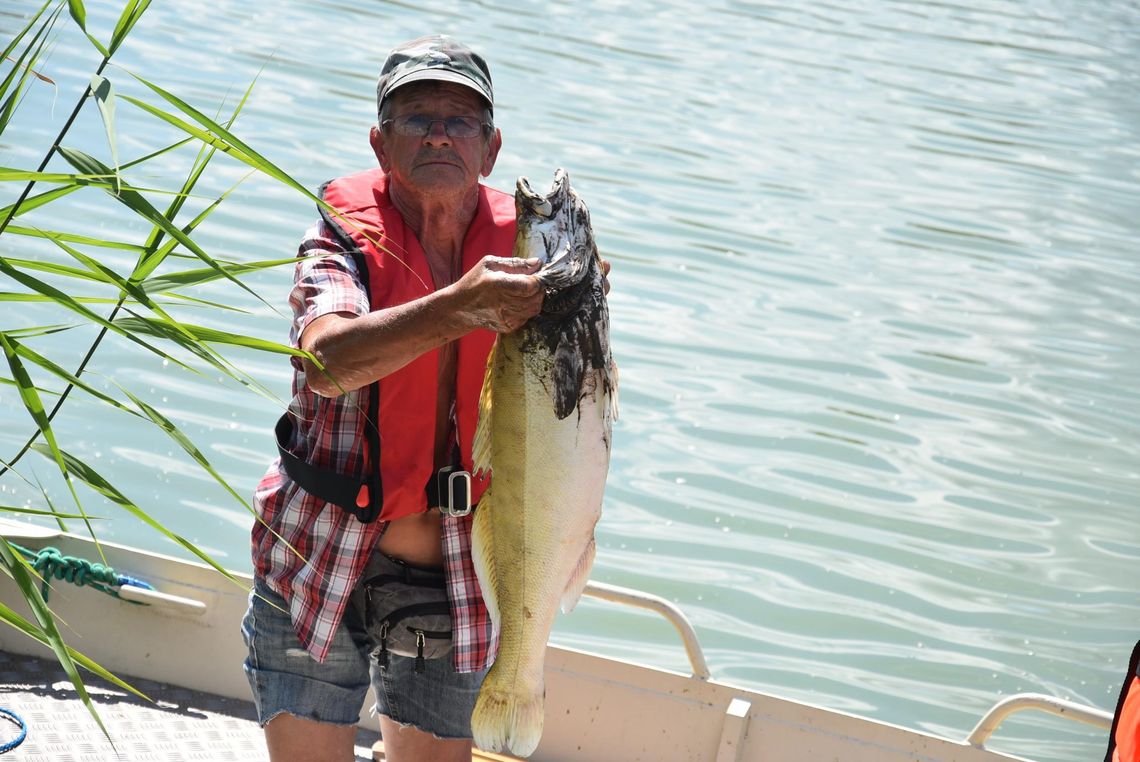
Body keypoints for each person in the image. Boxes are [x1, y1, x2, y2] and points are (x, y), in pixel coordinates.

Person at [241, 35, 548, 762]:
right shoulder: (339, 234)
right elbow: (326, 359)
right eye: (416, 117)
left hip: (461, 579)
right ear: (381, 144)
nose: (439, 131)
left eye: (460, 118)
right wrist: (460, 307)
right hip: (317, 556)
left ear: (491, 146)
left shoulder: (533, 254)